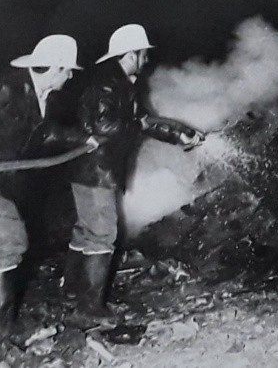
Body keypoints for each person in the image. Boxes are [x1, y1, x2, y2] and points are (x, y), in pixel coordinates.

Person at [0, 35, 93, 342]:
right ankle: (0, 330)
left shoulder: (41, 96)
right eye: (68, 70)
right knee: (10, 241)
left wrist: (84, 139)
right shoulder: (8, 89)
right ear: (55, 68)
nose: (70, 76)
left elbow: (45, 132)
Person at [63, 24, 204, 325]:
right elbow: (103, 126)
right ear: (130, 54)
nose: (146, 59)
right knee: (102, 233)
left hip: (97, 170)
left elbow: (142, 120)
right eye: (143, 54)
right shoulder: (107, 83)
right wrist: (138, 125)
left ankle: (72, 289)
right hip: (96, 170)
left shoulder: (122, 82)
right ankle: (89, 308)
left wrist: (179, 133)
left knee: (86, 230)